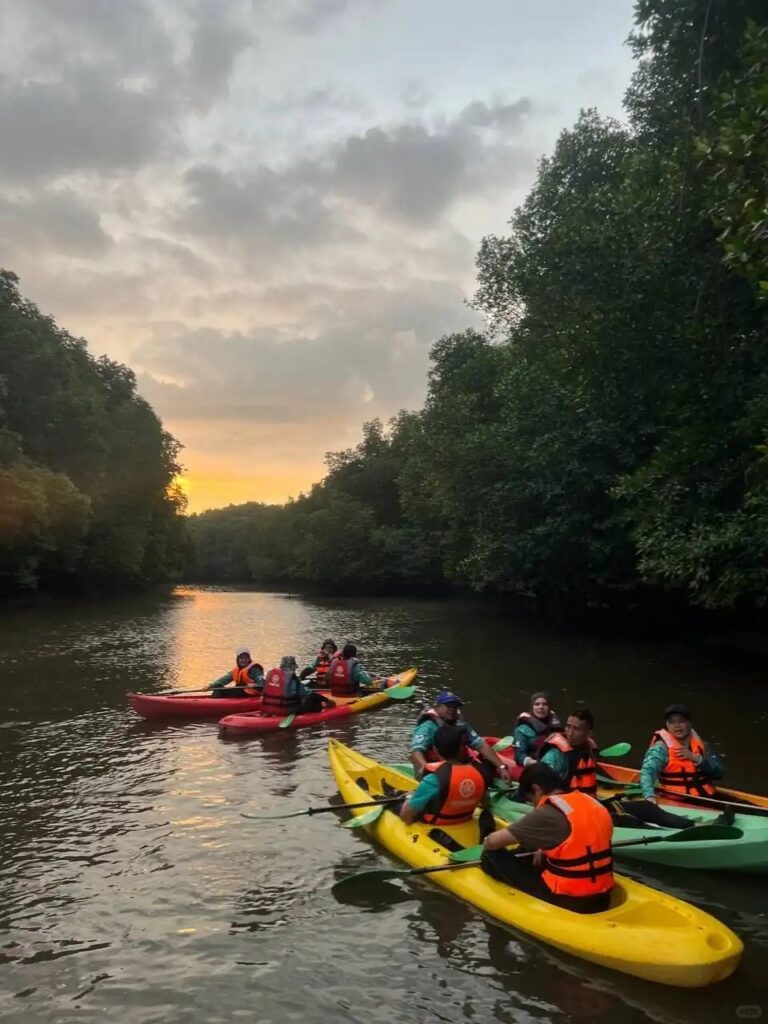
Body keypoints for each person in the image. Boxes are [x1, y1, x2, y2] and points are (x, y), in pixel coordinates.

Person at [482, 763, 614, 914]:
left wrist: (486, 841)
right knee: (534, 849)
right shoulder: (592, 803)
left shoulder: (549, 813)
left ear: (536, 789)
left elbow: (493, 842)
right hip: (604, 896)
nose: (533, 805)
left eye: (531, 800)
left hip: (570, 901)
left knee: (490, 856)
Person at [400, 725, 496, 832]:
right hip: (465, 819)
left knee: (401, 803)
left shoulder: (433, 779)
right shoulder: (481, 772)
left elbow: (406, 816)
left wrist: (409, 797)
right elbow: (486, 802)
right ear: (461, 748)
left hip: (436, 826)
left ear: (436, 750)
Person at [410, 690, 511, 786]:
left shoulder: (461, 724)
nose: (452, 709)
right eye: (448, 705)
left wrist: (501, 767)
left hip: (457, 765)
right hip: (436, 768)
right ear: (437, 707)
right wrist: (426, 769)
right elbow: (416, 751)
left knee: (489, 767)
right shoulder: (428, 726)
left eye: (455, 706)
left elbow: (481, 745)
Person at [641, 704, 724, 801]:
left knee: (742, 805)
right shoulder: (661, 748)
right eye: (672, 722)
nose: (677, 725)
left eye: (681, 721)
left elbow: (719, 773)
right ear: (667, 725)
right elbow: (647, 773)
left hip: (707, 796)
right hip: (679, 801)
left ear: (689, 723)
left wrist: (697, 759)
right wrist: (649, 796)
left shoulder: (702, 745)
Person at [538, 708, 598, 794]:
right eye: (568, 726)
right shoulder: (555, 754)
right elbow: (541, 782)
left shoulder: (591, 749)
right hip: (565, 802)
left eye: (576, 729)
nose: (569, 733)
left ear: (588, 734)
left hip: (587, 799)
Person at [261, 656, 333, 716]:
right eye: (294, 668)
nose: (294, 670)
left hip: (269, 709)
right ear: (292, 668)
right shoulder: (292, 679)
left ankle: (270, 713)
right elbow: (307, 693)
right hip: (286, 711)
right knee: (313, 696)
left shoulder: (271, 675)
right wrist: (326, 700)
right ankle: (324, 709)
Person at [512, 691, 563, 770]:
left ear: (549, 707)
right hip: (537, 762)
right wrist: (540, 765)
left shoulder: (554, 724)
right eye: (537, 704)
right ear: (532, 707)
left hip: (558, 758)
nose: (541, 707)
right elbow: (519, 756)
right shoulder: (521, 730)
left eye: (545, 704)